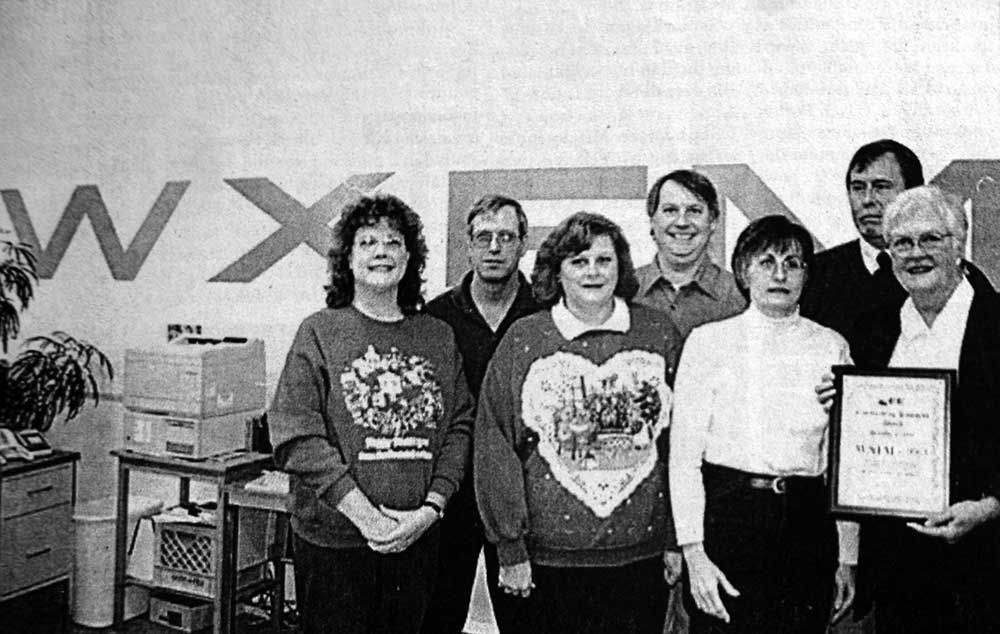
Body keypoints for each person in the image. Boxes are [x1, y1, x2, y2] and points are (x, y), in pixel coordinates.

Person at [268, 194, 474, 634]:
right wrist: (369, 520)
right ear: (347, 260)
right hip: (335, 543)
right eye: (368, 242)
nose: (382, 250)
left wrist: (430, 511)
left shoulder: (437, 336)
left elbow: (460, 427)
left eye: (394, 242)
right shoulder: (319, 331)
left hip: (417, 539)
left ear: (410, 257)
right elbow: (295, 436)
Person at [475, 212, 683, 634]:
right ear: (556, 271)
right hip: (547, 562)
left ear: (621, 267)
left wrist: (676, 539)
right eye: (578, 261)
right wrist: (511, 547)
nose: (593, 272)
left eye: (604, 261)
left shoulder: (658, 334)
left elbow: (680, 446)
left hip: (640, 560)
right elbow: (494, 445)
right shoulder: (524, 338)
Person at [669, 215, 858, 634]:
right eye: (766, 261)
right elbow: (682, 460)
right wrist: (694, 555)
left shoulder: (831, 344)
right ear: (743, 271)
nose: (780, 274)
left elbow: (844, 464)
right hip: (729, 523)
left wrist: (847, 557)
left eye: (793, 263)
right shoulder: (708, 342)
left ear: (806, 276)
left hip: (806, 527)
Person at [844, 185, 1000, 633]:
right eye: (902, 243)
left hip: (985, 557)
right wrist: (843, 409)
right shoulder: (873, 331)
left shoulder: (996, 325)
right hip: (899, 563)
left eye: (930, 239)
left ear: (959, 245)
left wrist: (989, 506)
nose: (916, 254)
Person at [422, 195, 539, 634]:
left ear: (523, 244)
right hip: (450, 491)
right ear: (468, 246)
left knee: (524, 617)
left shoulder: (544, 315)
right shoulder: (436, 318)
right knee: (437, 614)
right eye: (483, 237)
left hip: (517, 496)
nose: (494, 247)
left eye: (506, 237)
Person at [800, 139, 923, 340]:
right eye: (858, 188)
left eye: (881, 187)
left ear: (914, 194)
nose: (867, 200)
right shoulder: (816, 275)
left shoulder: (945, 273)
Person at [635, 169, 746, 339]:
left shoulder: (739, 296)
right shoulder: (621, 291)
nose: (682, 222)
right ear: (652, 221)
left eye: (694, 211)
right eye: (670, 210)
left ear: (713, 222)